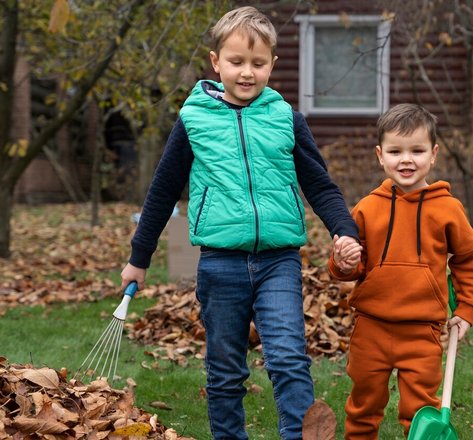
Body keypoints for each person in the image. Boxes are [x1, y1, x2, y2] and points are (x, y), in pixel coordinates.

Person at [120, 6, 361, 439]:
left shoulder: (286, 119)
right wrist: (140, 257)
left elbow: (320, 185)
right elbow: (162, 192)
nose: (246, 73)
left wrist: (344, 230)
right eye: (236, 62)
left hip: (278, 261)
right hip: (219, 263)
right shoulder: (194, 121)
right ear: (216, 62)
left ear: (272, 64)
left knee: (288, 357)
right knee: (225, 369)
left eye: (257, 63)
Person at [328, 103, 473, 439]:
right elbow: (353, 265)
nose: (406, 160)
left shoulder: (448, 209)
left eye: (417, 150)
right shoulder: (368, 208)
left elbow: (469, 257)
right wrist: (342, 263)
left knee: (419, 412)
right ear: (380, 155)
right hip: (371, 327)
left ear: (434, 154)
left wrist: (467, 308)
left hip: (422, 331)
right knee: (363, 404)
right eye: (395, 151)